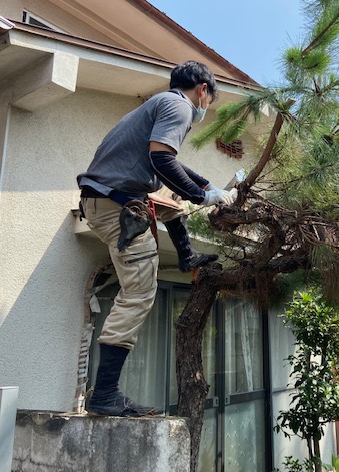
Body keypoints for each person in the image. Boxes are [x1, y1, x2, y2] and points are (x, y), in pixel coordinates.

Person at [77, 60, 234, 417]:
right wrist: (201, 196)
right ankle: (104, 395)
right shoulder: (180, 106)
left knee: (170, 202)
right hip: (115, 206)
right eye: (209, 100)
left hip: (109, 198)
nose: (205, 107)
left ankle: (187, 255)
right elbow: (162, 158)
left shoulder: (160, 103)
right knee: (138, 292)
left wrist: (206, 184)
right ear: (203, 90)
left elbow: (166, 160)